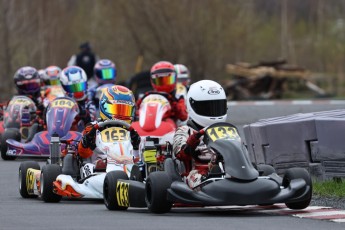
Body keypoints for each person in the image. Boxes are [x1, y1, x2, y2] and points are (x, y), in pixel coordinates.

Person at [172, 80, 228, 188]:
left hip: (228, 168)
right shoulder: (184, 130)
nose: (213, 112)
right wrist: (195, 138)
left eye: (217, 106)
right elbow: (180, 154)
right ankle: (213, 180)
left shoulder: (226, 130)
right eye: (206, 108)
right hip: (197, 171)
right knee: (202, 177)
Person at [77, 85, 141, 164]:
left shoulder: (133, 132)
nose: (120, 115)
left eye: (125, 110)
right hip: (99, 169)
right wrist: (87, 141)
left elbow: (138, 156)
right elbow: (83, 153)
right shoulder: (93, 128)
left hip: (128, 167)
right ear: (104, 106)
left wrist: (137, 145)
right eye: (115, 109)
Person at [59, 66, 97, 130]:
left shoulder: (89, 104)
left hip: (81, 136)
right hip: (61, 136)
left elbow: (93, 125)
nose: (78, 91)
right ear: (64, 87)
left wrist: (85, 115)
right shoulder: (60, 103)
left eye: (80, 86)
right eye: (73, 88)